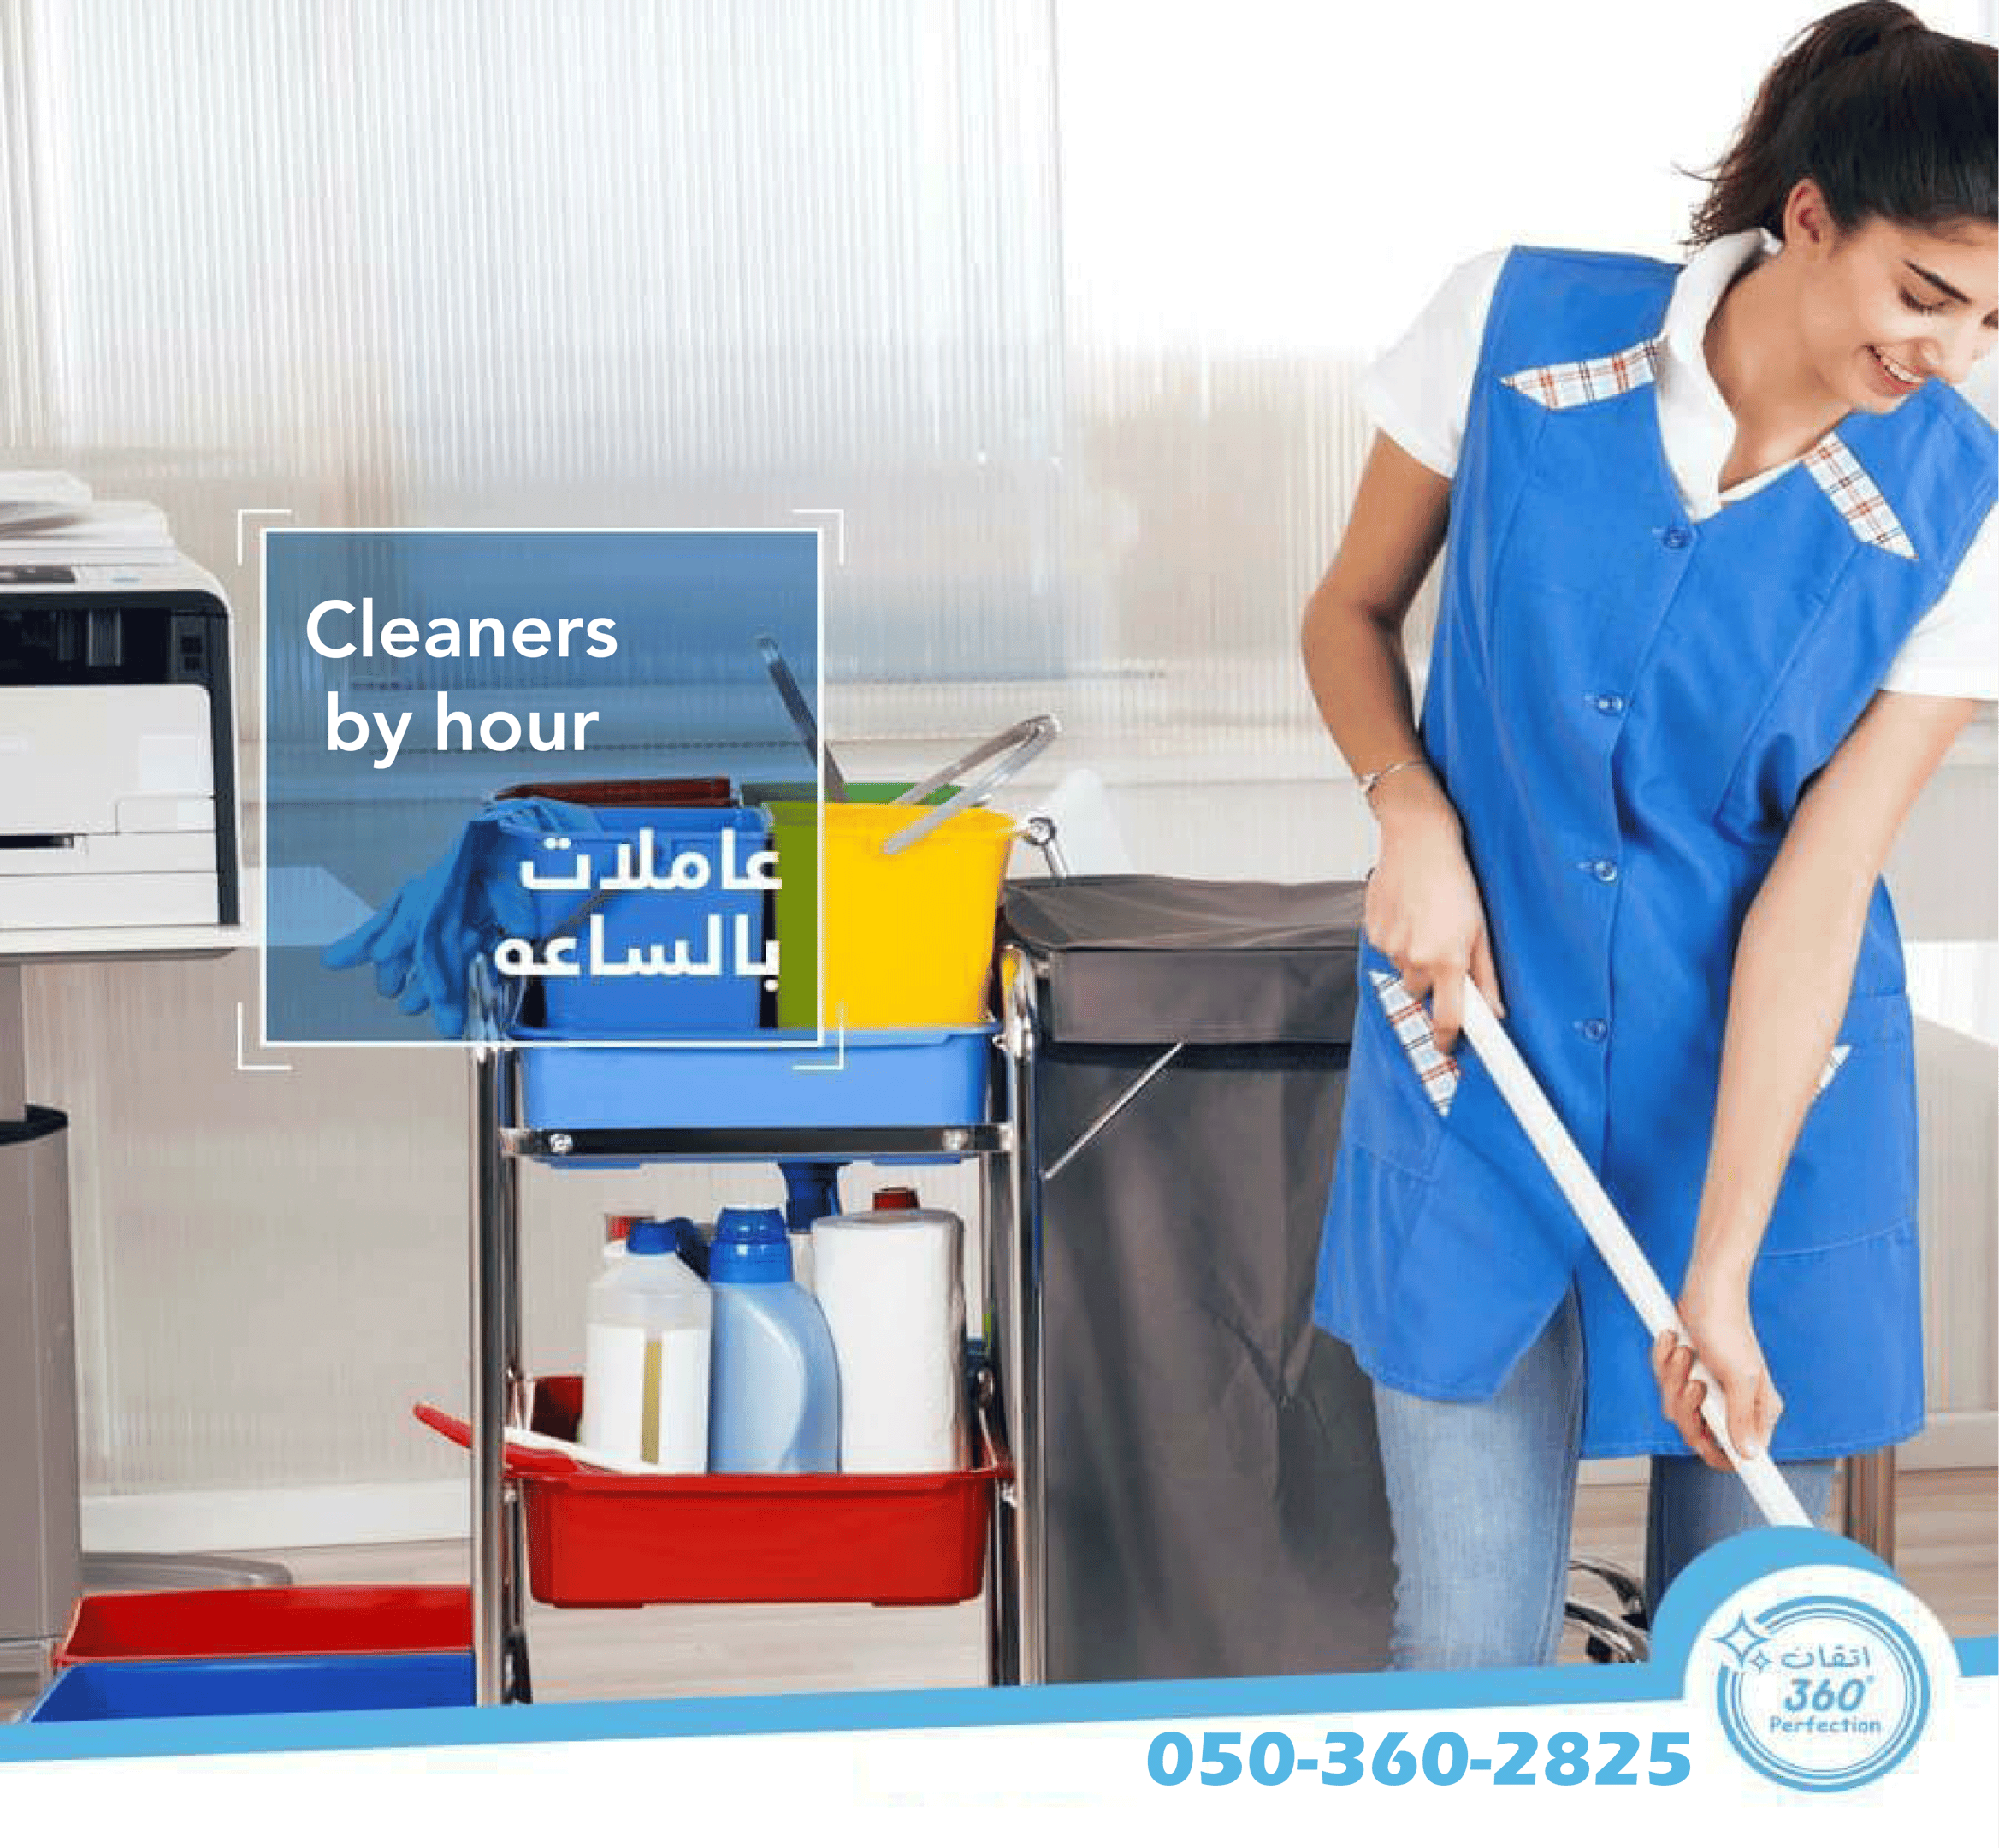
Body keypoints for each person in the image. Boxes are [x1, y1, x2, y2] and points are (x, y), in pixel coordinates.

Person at [1302, 1, 1999, 1670]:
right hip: (1476, 1044)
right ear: (1809, 216)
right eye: (1923, 292)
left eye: (1989, 314)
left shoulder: (1962, 505)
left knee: (1736, 1644)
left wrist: (1727, 1263)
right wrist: (1408, 809)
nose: (1950, 352)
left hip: (1764, 1086)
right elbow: (1349, 613)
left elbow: (1820, 888)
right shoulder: (1512, 327)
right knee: (1467, 1641)